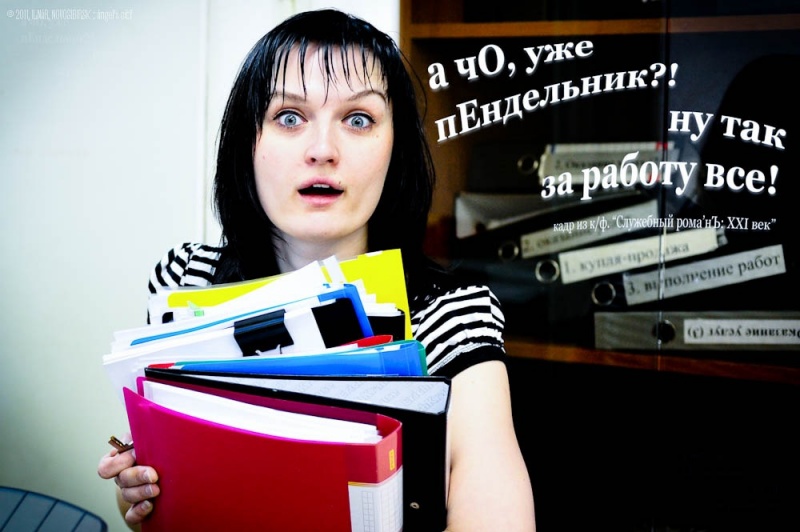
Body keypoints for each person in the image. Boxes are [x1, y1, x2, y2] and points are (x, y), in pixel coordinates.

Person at [97, 8, 536, 531]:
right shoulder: (186, 277)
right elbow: (157, 498)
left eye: (359, 119)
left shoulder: (453, 313)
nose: (323, 150)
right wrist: (142, 495)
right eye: (288, 117)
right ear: (247, 141)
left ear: (395, 148)